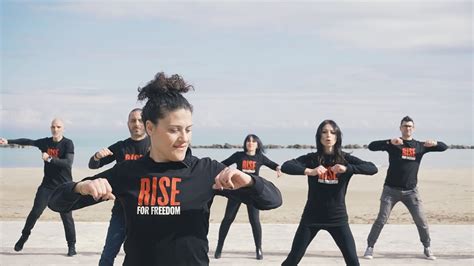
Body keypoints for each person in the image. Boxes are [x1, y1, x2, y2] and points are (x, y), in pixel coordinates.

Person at [47, 72, 282, 266]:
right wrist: (81, 187)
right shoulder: (128, 173)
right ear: (150, 128)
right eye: (174, 130)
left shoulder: (206, 171)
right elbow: (56, 202)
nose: (184, 138)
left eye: (188, 129)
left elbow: (272, 200)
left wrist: (251, 181)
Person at [281, 120, 378, 266]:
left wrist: (347, 169)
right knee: (292, 259)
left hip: (337, 218)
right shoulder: (312, 159)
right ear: (319, 137)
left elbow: (372, 168)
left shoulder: (345, 159)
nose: (328, 135)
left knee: (353, 262)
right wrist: (309, 171)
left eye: (332, 132)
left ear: (337, 136)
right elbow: (286, 166)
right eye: (324, 132)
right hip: (311, 217)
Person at [363, 116, 448, 261]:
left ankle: (427, 247)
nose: (407, 128)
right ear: (400, 128)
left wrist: (435, 143)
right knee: (381, 219)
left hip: (411, 192)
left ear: (413, 129)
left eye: (409, 126)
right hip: (390, 190)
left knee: (421, 220)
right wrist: (389, 141)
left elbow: (444, 147)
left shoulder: (420, 146)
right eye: (404, 126)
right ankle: (370, 247)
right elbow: (371, 146)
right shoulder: (394, 144)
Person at [0, 118, 77, 256]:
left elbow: (68, 163)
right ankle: (24, 237)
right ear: (50, 128)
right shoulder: (45, 142)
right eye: (53, 127)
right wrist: (8, 141)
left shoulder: (67, 143)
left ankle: (71, 246)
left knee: (67, 218)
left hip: (64, 187)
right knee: (35, 213)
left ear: (63, 129)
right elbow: (28, 141)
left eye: (58, 127)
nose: (55, 129)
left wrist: (49, 159)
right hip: (47, 186)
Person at [88, 108, 150, 266]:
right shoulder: (121, 147)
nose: (136, 124)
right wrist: (97, 156)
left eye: (139, 120)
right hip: (121, 210)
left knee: (145, 254)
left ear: (146, 123)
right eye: (132, 120)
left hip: (147, 210)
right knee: (109, 253)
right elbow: (93, 165)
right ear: (128, 124)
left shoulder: (154, 145)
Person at [214, 134, 282, 260]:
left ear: (257, 144)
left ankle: (258, 249)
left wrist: (278, 168)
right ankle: (219, 248)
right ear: (245, 143)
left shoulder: (260, 157)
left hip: (252, 193)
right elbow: (223, 164)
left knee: (255, 221)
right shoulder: (239, 156)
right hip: (236, 191)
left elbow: (272, 164)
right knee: (228, 218)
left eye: (253, 141)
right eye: (248, 141)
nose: (250, 143)